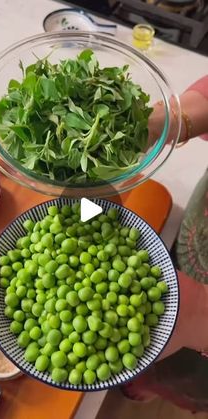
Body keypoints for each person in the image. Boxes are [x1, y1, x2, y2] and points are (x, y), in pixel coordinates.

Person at [122, 75, 208, 412]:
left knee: (189, 377)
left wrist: (198, 315)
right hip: (196, 243)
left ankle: (168, 389)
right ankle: (150, 375)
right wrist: (163, 122)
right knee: (149, 340)